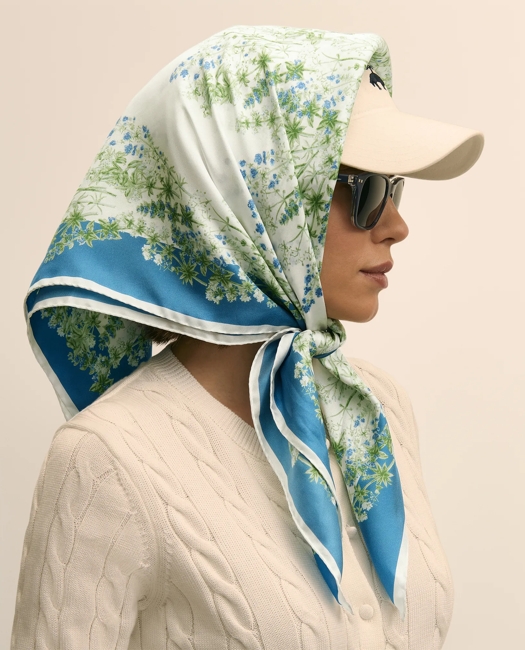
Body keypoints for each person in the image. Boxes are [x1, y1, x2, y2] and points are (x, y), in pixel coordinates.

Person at [11, 25, 483, 649]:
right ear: (244, 198)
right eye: (366, 190)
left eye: (395, 188)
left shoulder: (379, 409)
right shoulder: (107, 458)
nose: (397, 225)